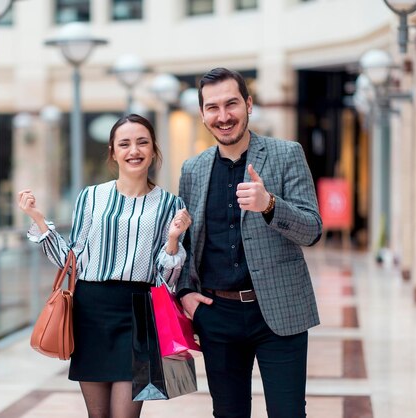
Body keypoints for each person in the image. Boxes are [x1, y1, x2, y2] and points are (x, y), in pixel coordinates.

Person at [18, 113, 192, 418]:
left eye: (142, 143)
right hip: (91, 312)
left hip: (139, 314)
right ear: (113, 151)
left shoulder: (170, 205)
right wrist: (36, 217)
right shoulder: (91, 198)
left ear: (153, 150)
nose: (133, 151)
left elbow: (166, 280)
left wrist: (174, 240)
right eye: (124, 144)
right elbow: (70, 261)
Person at [176, 67, 322, 418]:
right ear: (202, 114)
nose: (223, 116)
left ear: (248, 104)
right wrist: (185, 294)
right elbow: (186, 241)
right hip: (217, 314)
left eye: (231, 104)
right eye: (213, 107)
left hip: (279, 310)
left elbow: (313, 230)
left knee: (288, 413)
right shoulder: (192, 169)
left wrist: (269, 205)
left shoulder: (287, 154)